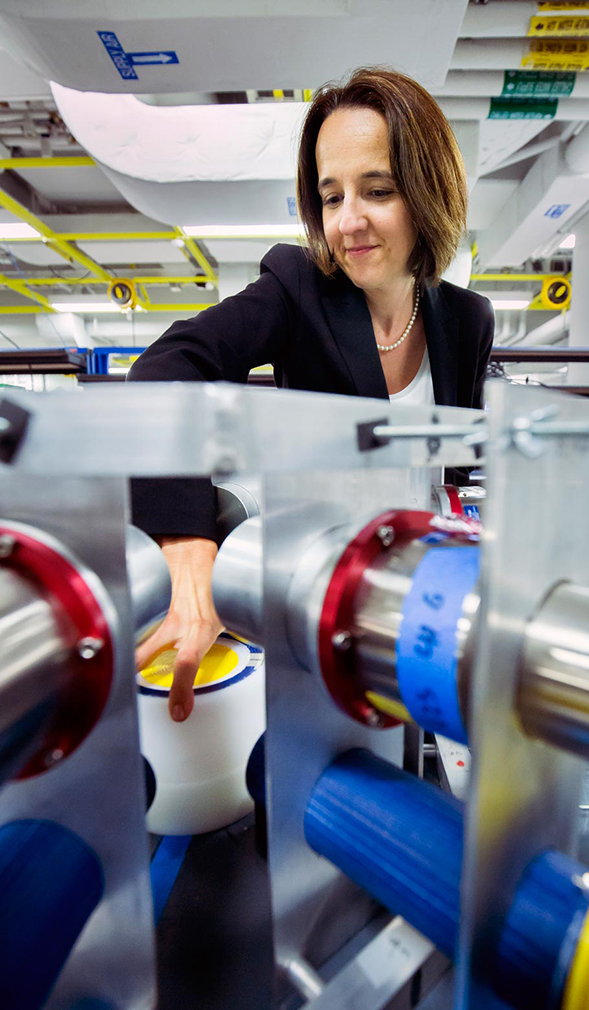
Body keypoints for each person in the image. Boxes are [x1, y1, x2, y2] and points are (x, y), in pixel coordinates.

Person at [129, 66, 494, 723]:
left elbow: (448, 462)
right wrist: (187, 551)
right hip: (300, 586)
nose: (348, 221)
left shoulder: (467, 321)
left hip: (401, 591)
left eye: (376, 190)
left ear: (428, 191)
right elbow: (167, 368)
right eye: (331, 197)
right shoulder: (296, 290)